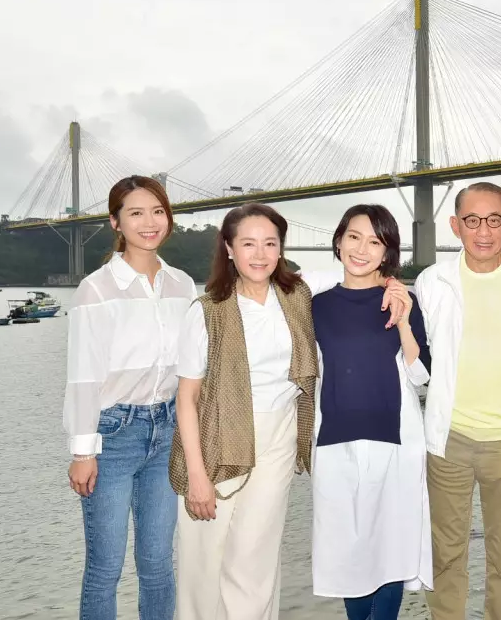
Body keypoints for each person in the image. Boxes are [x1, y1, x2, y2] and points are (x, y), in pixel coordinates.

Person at [170, 203, 408, 620]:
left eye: (270, 243)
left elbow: (358, 268)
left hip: (279, 441)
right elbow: (186, 398)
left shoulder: (297, 294)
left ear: (281, 249)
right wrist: (196, 476)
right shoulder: (206, 310)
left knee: (255, 563)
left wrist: (393, 284)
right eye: (248, 244)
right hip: (215, 440)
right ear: (229, 249)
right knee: (202, 566)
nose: (260, 254)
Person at [413, 182, 501, 620]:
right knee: (446, 555)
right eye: (472, 220)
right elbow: (426, 354)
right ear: (455, 226)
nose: (484, 231)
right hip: (449, 439)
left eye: (494, 219)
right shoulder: (431, 281)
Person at [64, 175, 197, 619]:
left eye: (158, 211)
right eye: (135, 213)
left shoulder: (182, 284)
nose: (149, 222)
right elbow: (83, 376)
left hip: (167, 432)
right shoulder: (96, 289)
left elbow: (192, 367)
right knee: (105, 567)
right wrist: (83, 451)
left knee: (158, 564)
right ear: (115, 222)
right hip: (113, 435)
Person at [310, 204, 433, 620]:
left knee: (390, 551)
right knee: (350, 556)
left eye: (375, 242)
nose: (362, 249)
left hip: (394, 440)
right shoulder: (315, 305)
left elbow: (420, 374)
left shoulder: (403, 299)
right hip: (334, 442)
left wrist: (404, 319)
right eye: (354, 237)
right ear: (338, 241)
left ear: (387, 252)